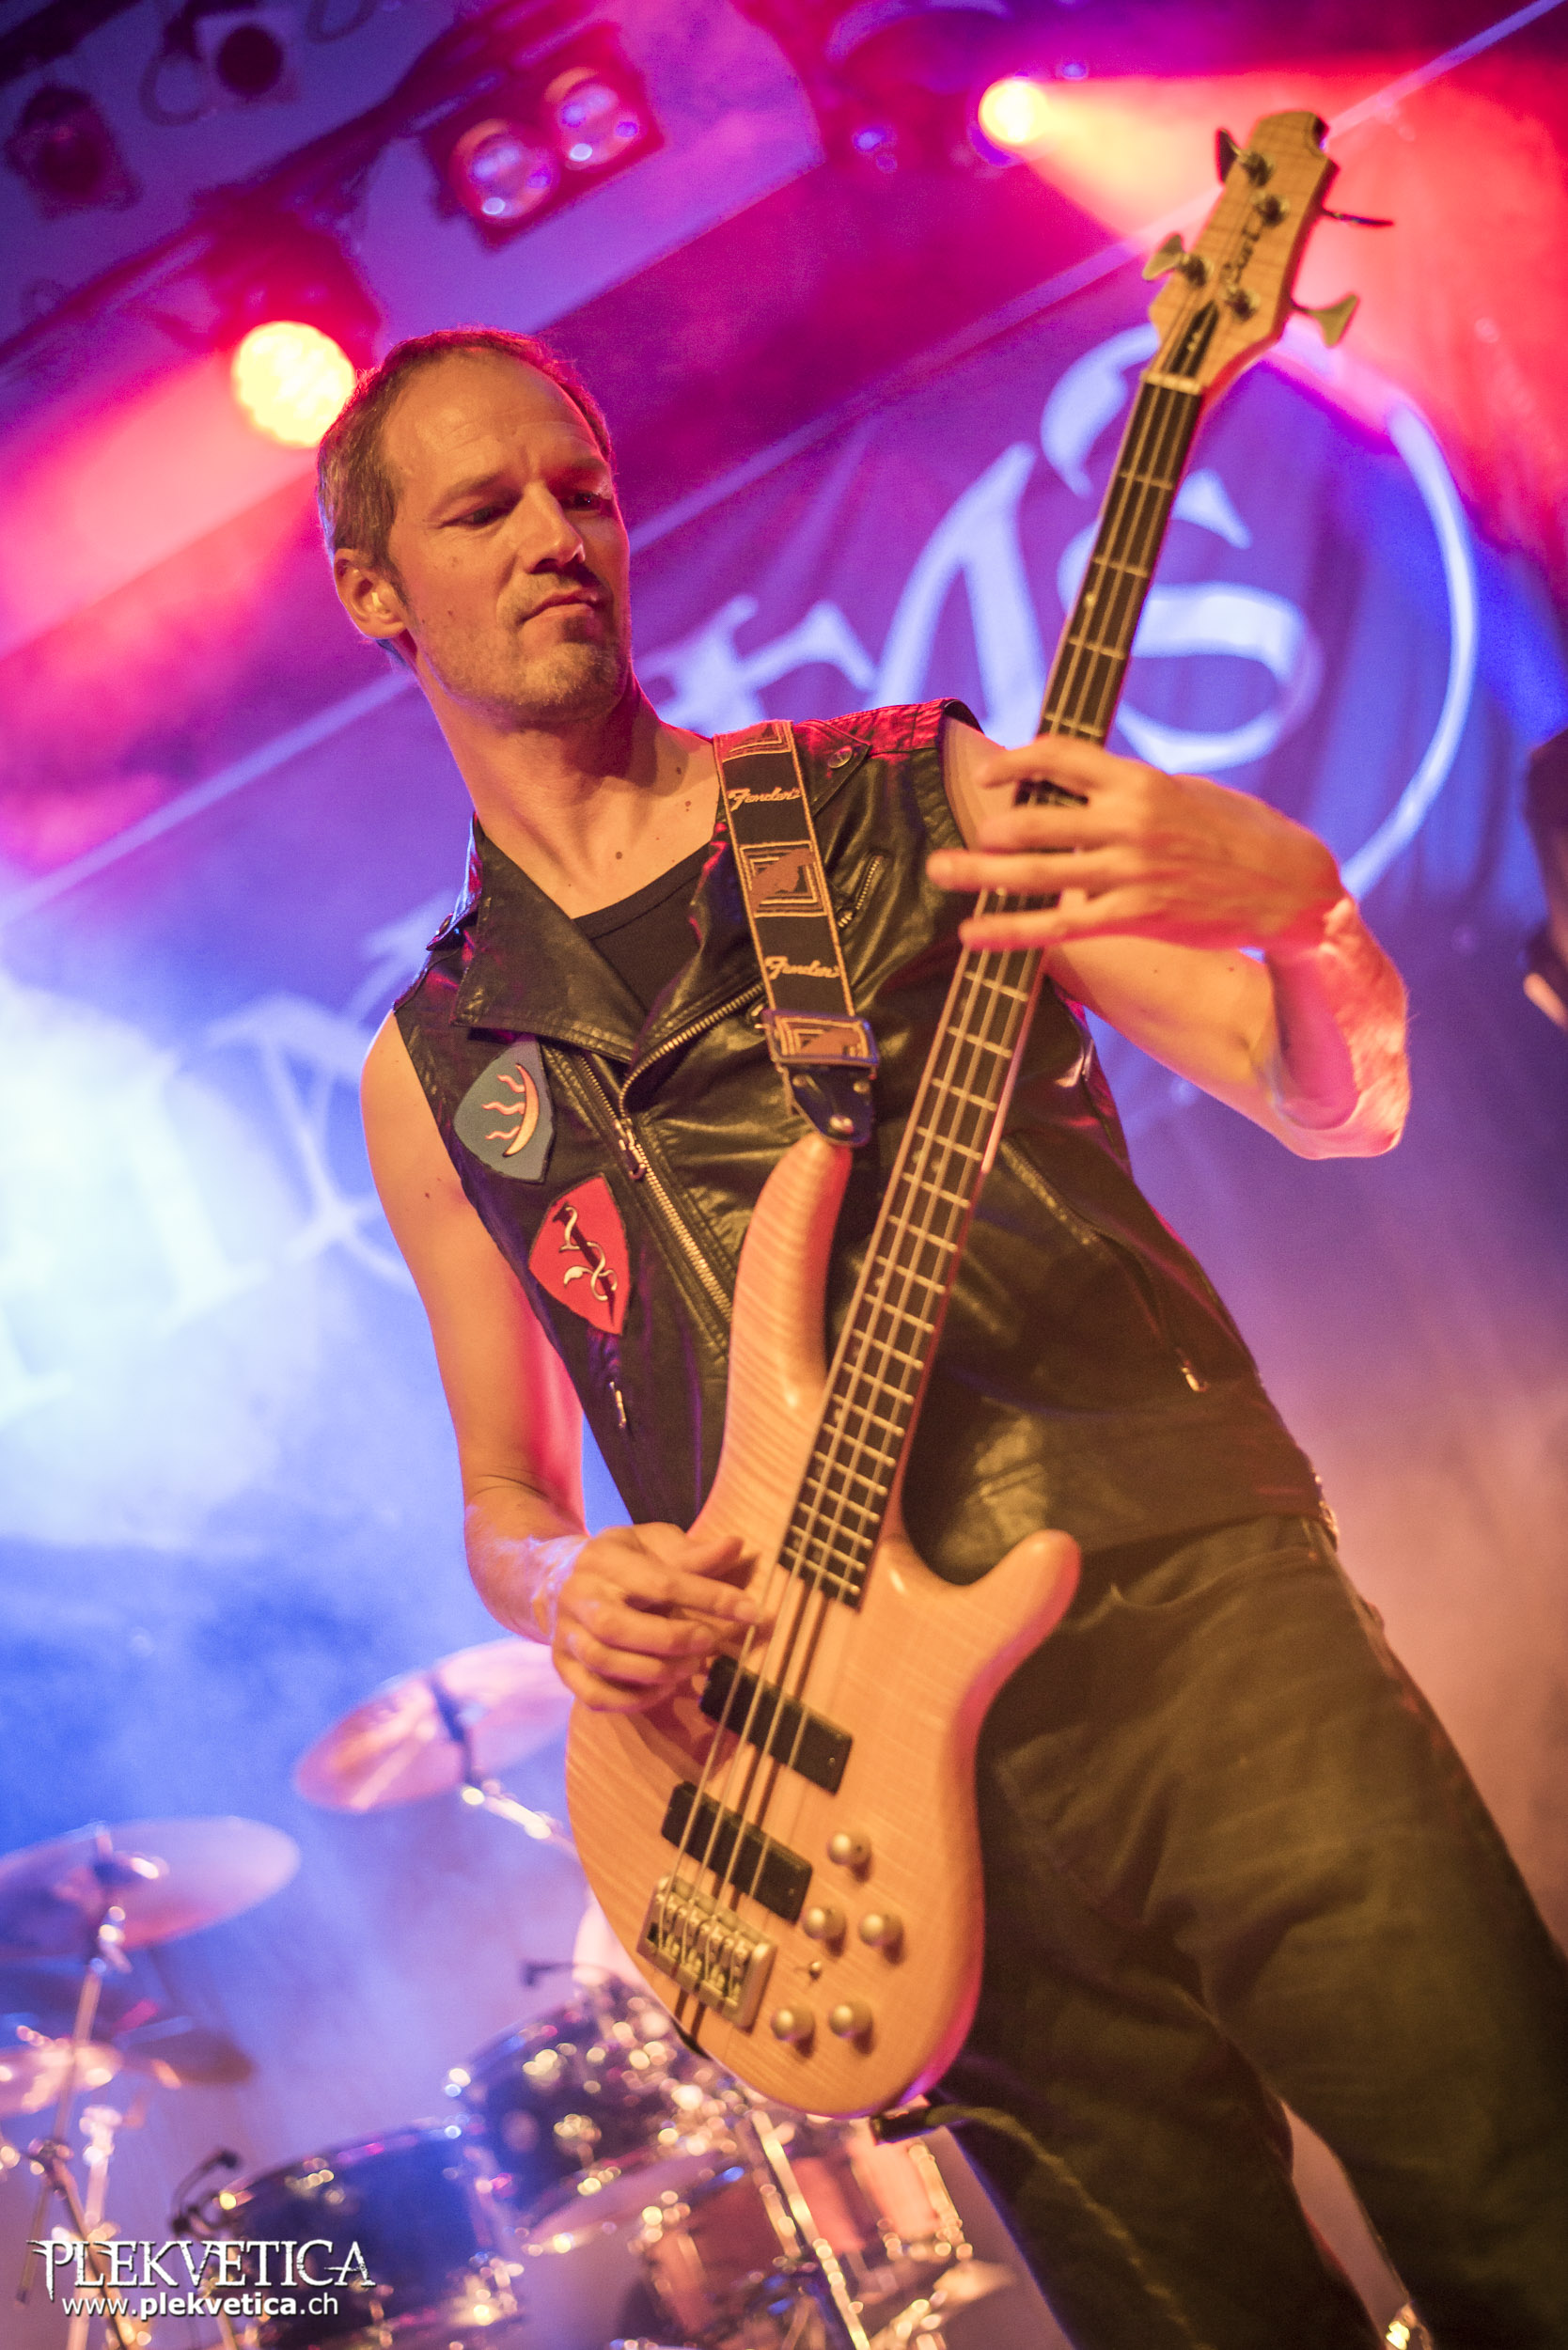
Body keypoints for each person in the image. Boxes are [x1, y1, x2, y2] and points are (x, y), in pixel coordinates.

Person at [331, 327, 1568, 2349]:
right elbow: (503, 1495)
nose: (558, 533)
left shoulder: (907, 795)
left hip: (1190, 1621)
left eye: (585, 490)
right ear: (376, 591)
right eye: (484, 508)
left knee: (1527, 2214)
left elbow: (1325, 1095)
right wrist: (567, 1589)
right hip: (862, 1780)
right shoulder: (434, 1068)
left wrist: (1302, 907)